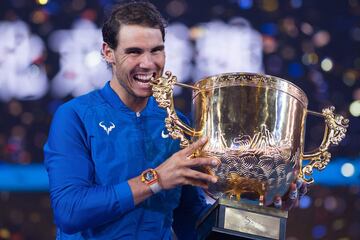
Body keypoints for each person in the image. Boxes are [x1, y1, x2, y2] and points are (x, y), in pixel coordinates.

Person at [44, 2, 305, 239]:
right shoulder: (75, 116)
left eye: (156, 50)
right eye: (134, 52)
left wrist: (257, 210)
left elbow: (191, 222)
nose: (148, 63)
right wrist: (155, 179)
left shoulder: (175, 122)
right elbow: (70, 211)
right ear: (108, 52)